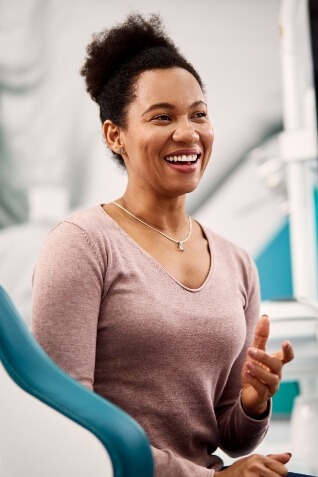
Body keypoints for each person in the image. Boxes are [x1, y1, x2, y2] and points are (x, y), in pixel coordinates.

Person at [32, 13, 311, 477]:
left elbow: (228, 435)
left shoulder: (237, 263)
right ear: (114, 135)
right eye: (162, 116)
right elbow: (67, 426)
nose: (188, 133)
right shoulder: (82, 245)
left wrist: (253, 402)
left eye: (199, 114)